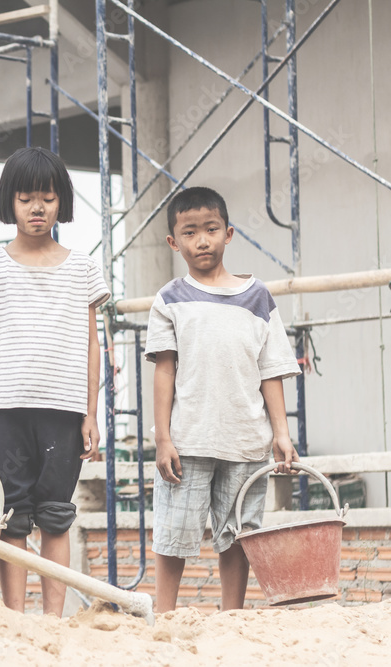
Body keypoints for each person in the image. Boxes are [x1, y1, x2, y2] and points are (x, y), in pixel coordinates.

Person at [0, 147, 109, 615]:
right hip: (4, 411)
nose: (37, 208)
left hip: (63, 412)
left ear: (61, 201)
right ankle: (15, 617)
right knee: (12, 516)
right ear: (10, 203)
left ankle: (54, 621)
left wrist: (91, 412)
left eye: (47, 198)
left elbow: (92, 345)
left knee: (56, 515)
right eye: (26, 199)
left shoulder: (84, 267)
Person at [145, 186, 301, 613]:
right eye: (190, 232)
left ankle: (232, 615)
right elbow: (164, 370)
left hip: (246, 438)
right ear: (174, 242)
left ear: (228, 234)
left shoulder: (258, 297)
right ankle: (164, 614)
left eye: (211, 229)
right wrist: (163, 438)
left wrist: (281, 433)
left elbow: (270, 372)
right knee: (173, 532)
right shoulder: (170, 300)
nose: (202, 240)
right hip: (188, 439)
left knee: (238, 533)